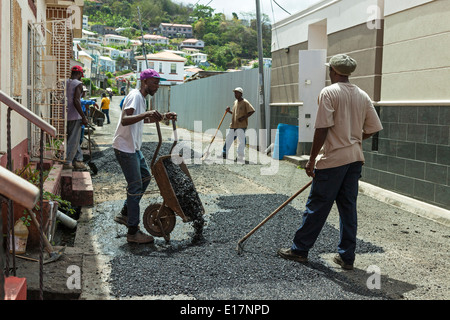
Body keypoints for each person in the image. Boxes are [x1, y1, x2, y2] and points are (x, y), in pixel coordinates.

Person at [277, 54, 383, 270]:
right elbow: (372, 128)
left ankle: (299, 250)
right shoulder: (362, 95)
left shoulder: (329, 92)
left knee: (317, 206)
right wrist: (352, 140)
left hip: (333, 160)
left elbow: (322, 128)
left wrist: (312, 159)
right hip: (354, 160)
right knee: (348, 208)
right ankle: (347, 257)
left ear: (333, 70)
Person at [112, 69, 177, 244]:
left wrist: (163, 116)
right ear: (144, 82)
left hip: (134, 148)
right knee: (135, 187)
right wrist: (147, 113)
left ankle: (126, 213)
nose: (157, 86)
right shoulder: (135, 95)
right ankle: (133, 232)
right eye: (154, 82)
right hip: (125, 148)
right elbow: (126, 119)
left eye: (158, 82)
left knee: (145, 177)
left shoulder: (141, 98)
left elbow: (140, 120)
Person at [64, 66, 89, 170]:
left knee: (73, 138)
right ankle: (68, 162)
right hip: (75, 115)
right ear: (79, 74)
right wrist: (83, 117)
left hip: (65, 114)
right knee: (73, 140)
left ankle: (78, 160)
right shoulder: (78, 84)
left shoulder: (66, 82)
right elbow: (76, 100)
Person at [222, 87, 255, 162]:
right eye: (235, 93)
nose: (235, 94)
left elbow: (252, 111)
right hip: (233, 125)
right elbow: (234, 114)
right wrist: (229, 111)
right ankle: (224, 153)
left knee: (242, 141)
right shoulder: (235, 102)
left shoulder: (245, 102)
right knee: (228, 139)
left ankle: (240, 156)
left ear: (241, 94)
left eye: (237, 93)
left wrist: (244, 118)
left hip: (241, 126)